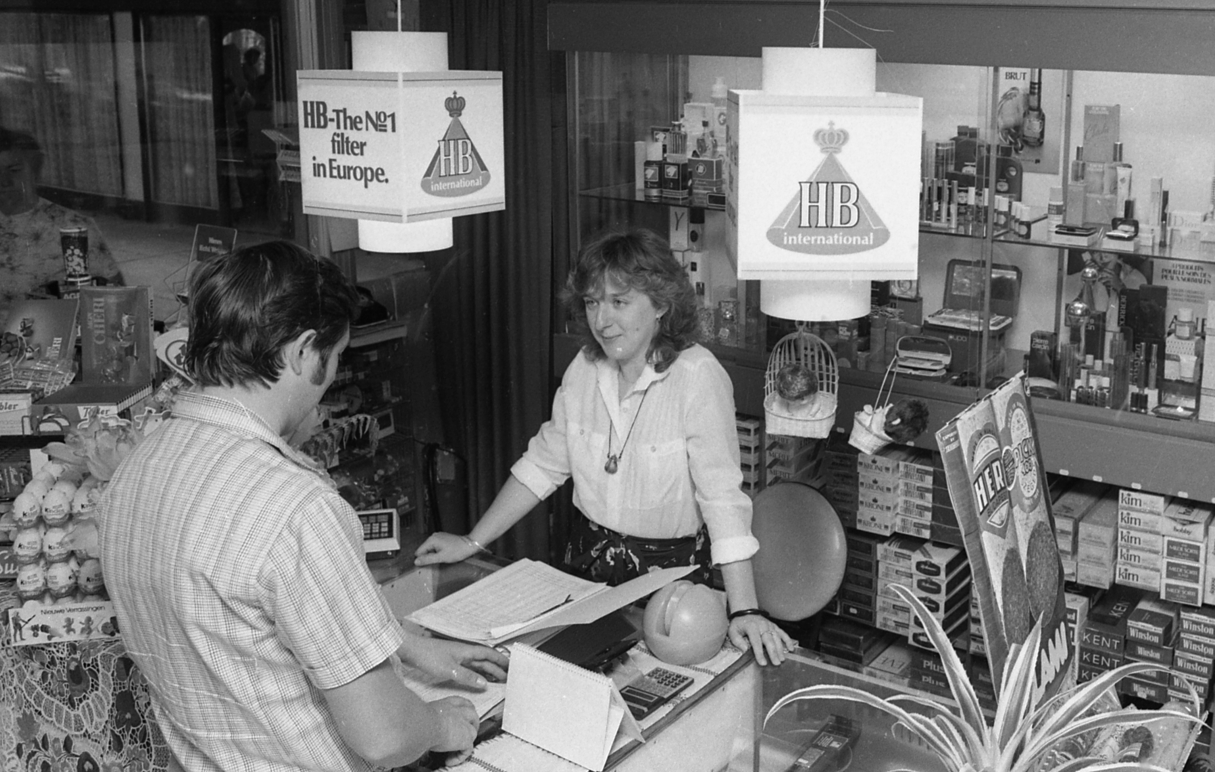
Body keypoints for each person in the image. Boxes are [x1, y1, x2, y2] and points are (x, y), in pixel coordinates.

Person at [99, 241, 505, 772]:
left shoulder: (136, 468)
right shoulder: (296, 508)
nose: (333, 377)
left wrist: (403, 645)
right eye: (336, 357)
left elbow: (241, 629)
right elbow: (383, 737)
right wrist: (438, 725)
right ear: (302, 351)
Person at [415, 227, 796, 666]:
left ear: (661, 305)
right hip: (586, 571)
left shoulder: (697, 377)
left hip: (670, 586)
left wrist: (744, 607)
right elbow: (543, 463)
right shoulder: (584, 368)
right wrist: (471, 540)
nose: (602, 320)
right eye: (593, 303)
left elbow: (723, 501)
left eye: (619, 301)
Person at [0, 126, 123, 316]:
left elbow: (117, 300)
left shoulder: (71, 227)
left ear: (35, 171)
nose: (4, 181)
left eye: (14, 170)